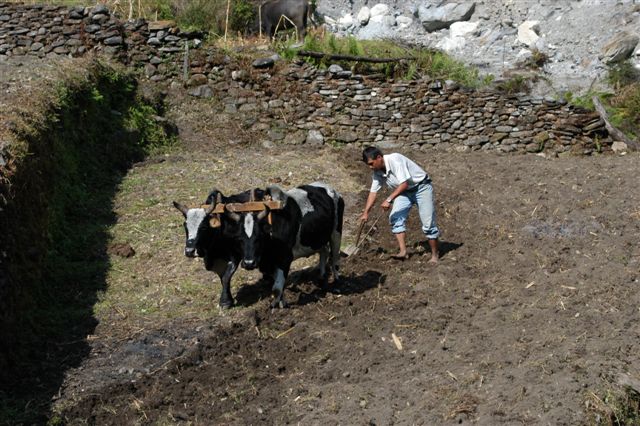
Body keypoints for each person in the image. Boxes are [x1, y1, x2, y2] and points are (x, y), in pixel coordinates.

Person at [359, 146, 440, 263]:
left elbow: (404, 184)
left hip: (421, 188)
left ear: (379, 157)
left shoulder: (395, 159)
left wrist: (389, 199)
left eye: (371, 164)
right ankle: (403, 251)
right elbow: (373, 192)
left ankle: (434, 255)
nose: (371, 167)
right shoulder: (377, 172)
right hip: (404, 193)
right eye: (368, 165)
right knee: (395, 217)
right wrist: (365, 213)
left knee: (428, 224)